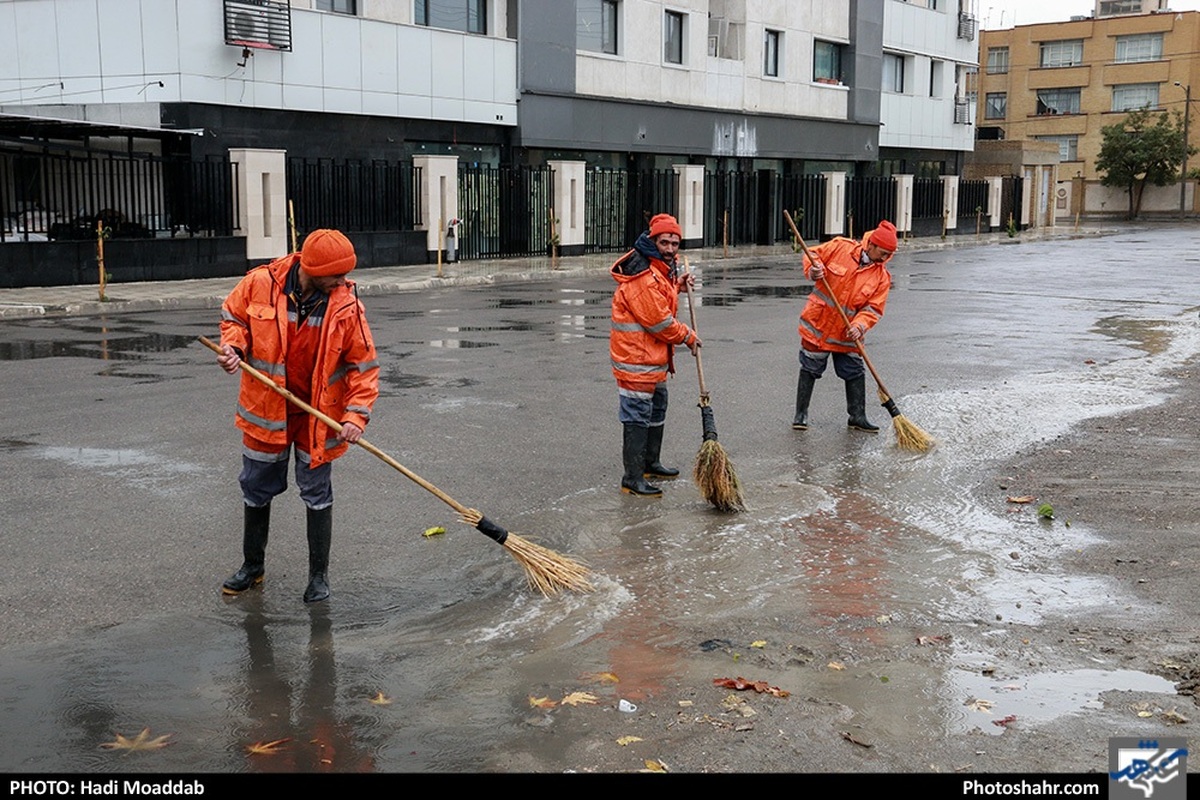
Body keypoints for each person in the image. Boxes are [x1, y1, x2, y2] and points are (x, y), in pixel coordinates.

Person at [215, 228, 380, 603]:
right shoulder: (259, 283)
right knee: (256, 488)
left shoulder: (346, 303)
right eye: (336, 275)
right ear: (312, 268)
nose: (343, 281)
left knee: (317, 493)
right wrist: (233, 348)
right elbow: (233, 319)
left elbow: (364, 365)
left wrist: (356, 415)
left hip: (318, 416)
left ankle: (318, 577)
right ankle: (252, 567)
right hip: (266, 410)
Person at [609, 213, 701, 497]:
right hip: (636, 359)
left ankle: (651, 463)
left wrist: (677, 286)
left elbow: (660, 298)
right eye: (665, 242)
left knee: (657, 407)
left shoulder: (660, 269)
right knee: (637, 414)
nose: (671, 248)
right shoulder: (642, 277)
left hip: (653, 358)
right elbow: (658, 321)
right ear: (653, 240)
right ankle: (632, 478)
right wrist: (687, 336)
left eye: (675, 243)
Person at [792, 220, 897, 433]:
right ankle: (800, 415)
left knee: (854, 371)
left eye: (889, 255)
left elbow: (873, 309)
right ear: (872, 245)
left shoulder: (882, 277)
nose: (886, 259)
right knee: (810, 367)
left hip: (847, 334)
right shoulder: (840, 247)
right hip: (818, 325)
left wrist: (859, 326)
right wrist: (814, 269)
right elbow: (813, 255)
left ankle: (857, 416)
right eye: (884, 253)